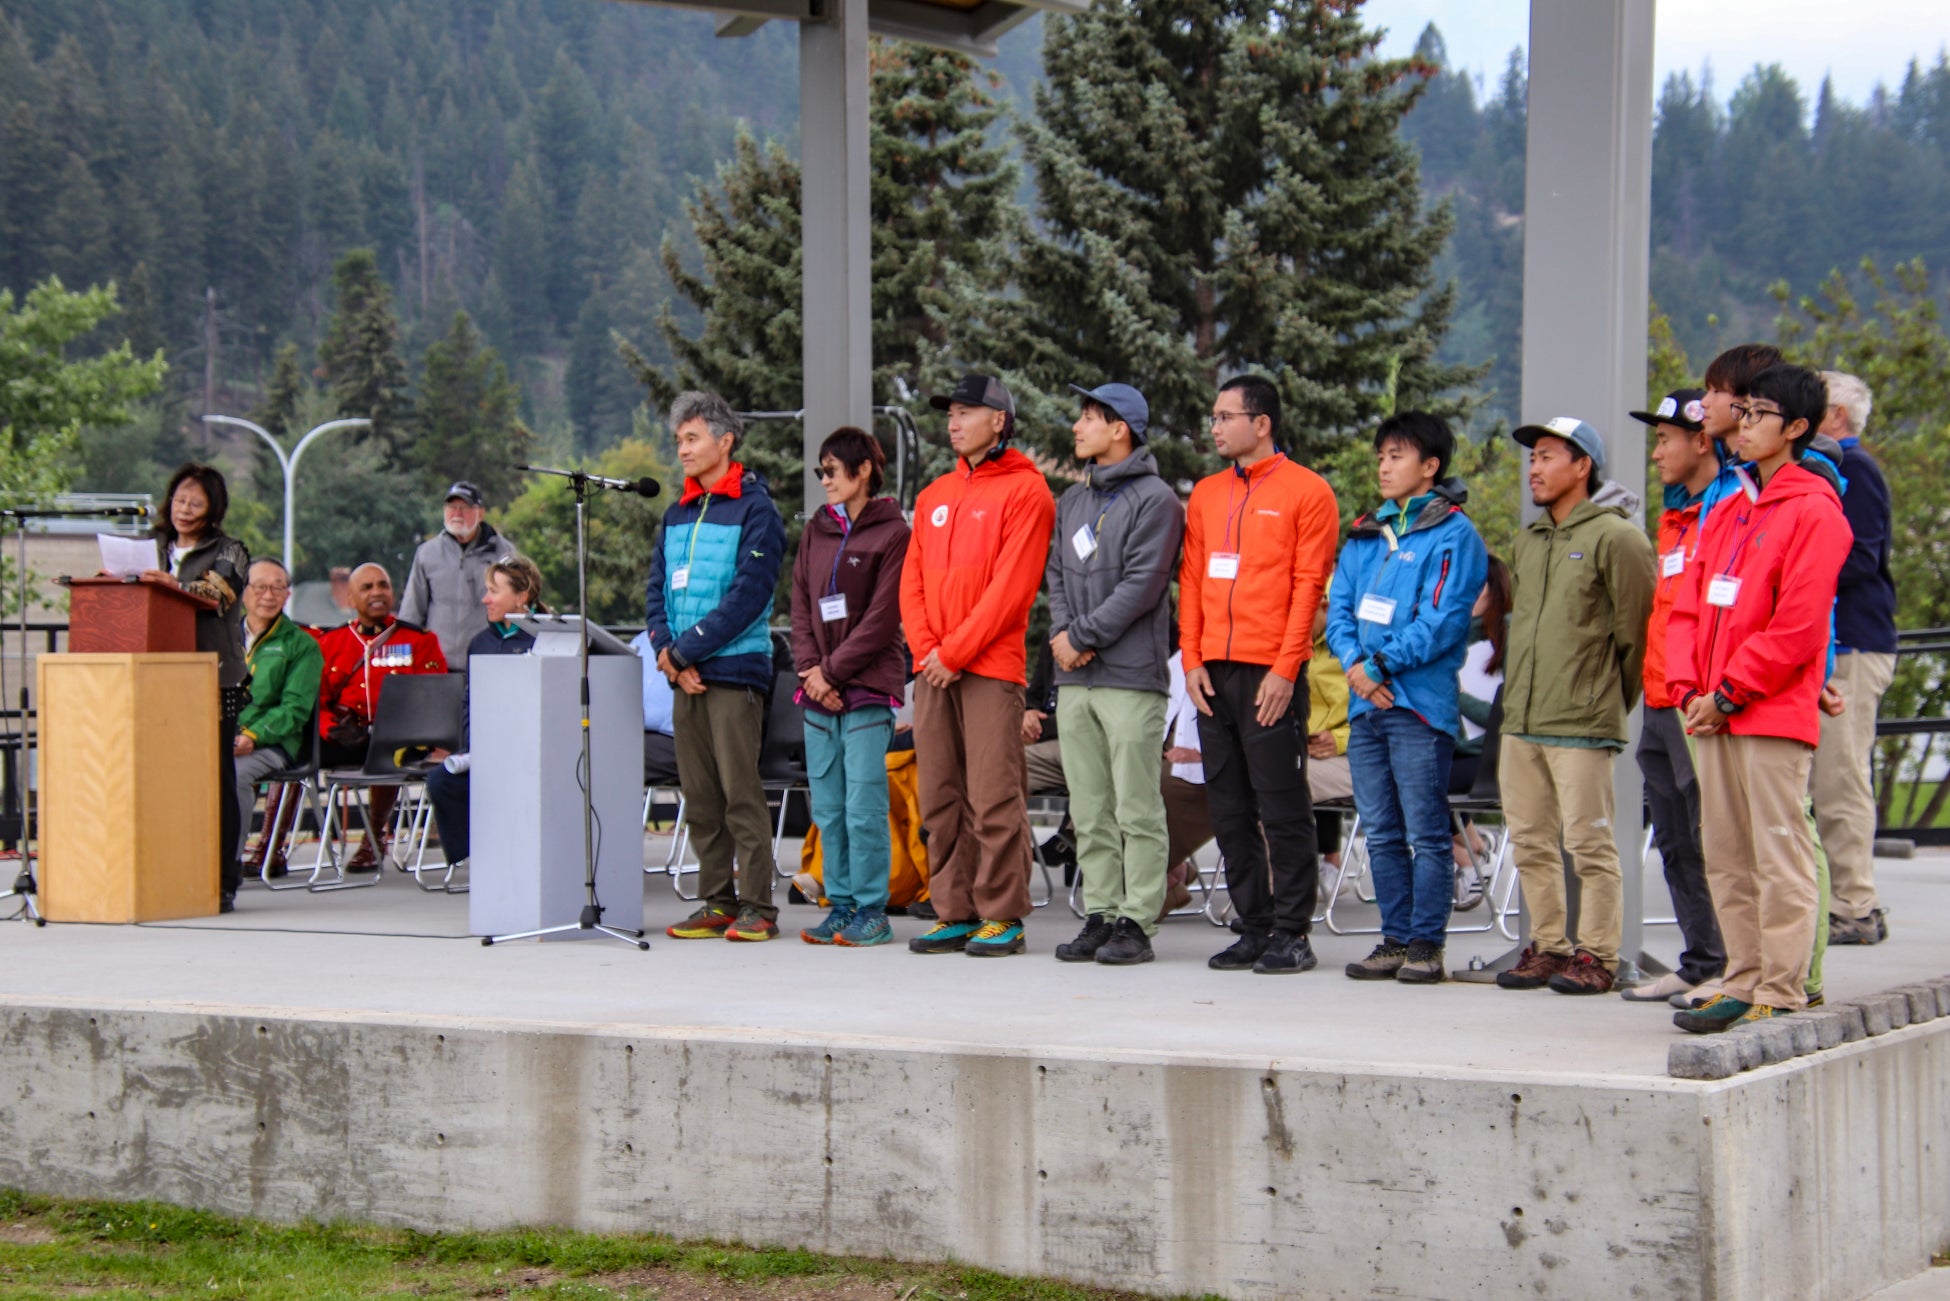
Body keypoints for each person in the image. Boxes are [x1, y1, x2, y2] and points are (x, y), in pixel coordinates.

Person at [1668, 364, 1852, 1032]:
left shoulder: (1814, 508)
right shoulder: (1731, 507)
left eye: (1757, 413)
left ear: (1796, 427)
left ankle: (1783, 985)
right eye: (1740, 412)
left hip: (1765, 709)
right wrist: (1692, 688)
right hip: (1711, 710)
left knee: (1778, 851)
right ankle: (1742, 978)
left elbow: (1800, 626)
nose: (1742, 425)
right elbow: (1688, 607)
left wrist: (1732, 690)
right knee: (1726, 851)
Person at [1179, 374, 1339, 974]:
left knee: (1282, 806)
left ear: (1262, 423)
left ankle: (1293, 931)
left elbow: (1307, 586)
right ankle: (1254, 925)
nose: (1216, 427)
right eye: (1214, 417)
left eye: (1226, 417)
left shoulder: (1308, 491)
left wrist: (1285, 666)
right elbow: (1192, 580)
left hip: (1270, 672)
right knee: (1228, 808)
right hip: (1212, 673)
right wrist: (1190, 659)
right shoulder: (1206, 493)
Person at [1494, 417, 1655, 995]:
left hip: (1582, 721)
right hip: (1522, 720)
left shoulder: (1619, 538)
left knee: (1589, 843)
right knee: (1531, 841)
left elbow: (1636, 637)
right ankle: (1549, 947)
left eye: (1545, 456)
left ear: (1582, 466)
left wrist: (1603, 701)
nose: (1533, 468)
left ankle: (1598, 955)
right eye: (1531, 458)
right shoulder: (1529, 539)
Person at [1329, 412, 1489, 984]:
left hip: (1417, 706)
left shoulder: (1454, 535)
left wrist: (1377, 665)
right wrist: (1355, 668)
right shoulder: (1366, 533)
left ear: (1430, 466)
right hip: (1366, 704)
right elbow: (1339, 610)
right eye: (1380, 456)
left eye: (1396, 456)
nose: (1383, 466)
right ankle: (1393, 939)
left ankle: (1427, 944)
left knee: (1425, 829)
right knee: (1381, 828)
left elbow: (1442, 621)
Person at [900, 373, 1056, 957]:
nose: (954, 420)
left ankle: (1003, 914)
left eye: (967, 411)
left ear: (1000, 421)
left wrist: (954, 652)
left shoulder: (1027, 491)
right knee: (939, 793)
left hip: (989, 667)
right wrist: (926, 652)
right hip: (934, 667)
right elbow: (910, 581)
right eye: (950, 412)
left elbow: (1010, 591)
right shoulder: (934, 495)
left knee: (993, 794)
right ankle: (955, 910)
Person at [1045, 382, 1183, 967]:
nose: (1077, 427)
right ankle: (1101, 911)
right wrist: (1061, 636)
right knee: (1089, 806)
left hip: (1129, 676)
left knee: (1136, 806)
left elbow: (1142, 584)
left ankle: (1137, 918)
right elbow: (1055, 574)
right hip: (1077, 681)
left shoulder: (1157, 500)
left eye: (1089, 418)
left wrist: (1080, 636)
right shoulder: (1071, 502)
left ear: (1120, 428)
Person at [647, 391, 787, 942]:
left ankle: (758, 907)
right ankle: (716, 902)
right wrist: (668, 653)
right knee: (700, 796)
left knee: (739, 793)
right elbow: (656, 589)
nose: (682, 449)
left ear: (725, 442)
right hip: (685, 675)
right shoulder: (675, 513)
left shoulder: (757, 510)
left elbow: (749, 595)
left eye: (692, 438)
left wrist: (685, 652)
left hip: (733, 672)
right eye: (678, 439)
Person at [1616, 389, 1729, 1005]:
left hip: (1700, 704)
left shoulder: (1732, 509)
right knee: (1677, 841)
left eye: (1665, 439)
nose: (1656, 451)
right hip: (1659, 701)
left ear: (1701, 441)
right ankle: (1702, 960)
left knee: (1715, 838)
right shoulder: (1676, 515)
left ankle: (1736, 970)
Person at [789, 427, 911, 949]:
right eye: (820, 471)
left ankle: (871, 911)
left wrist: (831, 673)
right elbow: (798, 605)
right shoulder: (816, 531)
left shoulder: (893, 533)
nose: (825, 480)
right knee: (829, 808)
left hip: (865, 691)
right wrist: (812, 671)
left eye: (832, 470)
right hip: (818, 693)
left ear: (863, 471)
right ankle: (838, 906)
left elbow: (884, 618)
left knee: (864, 807)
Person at [1811, 371, 1897, 947]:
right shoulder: (1827, 467)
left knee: (1841, 777)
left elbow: (1860, 556)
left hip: (1854, 644)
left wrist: (1798, 574)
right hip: (1837, 644)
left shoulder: (1854, 469)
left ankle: (1856, 904)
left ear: (1837, 416)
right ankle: (1844, 898)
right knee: (1826, 776)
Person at [146, 463, 252, 911]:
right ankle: (167, 868)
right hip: (154, 676)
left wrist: (173, 585)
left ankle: (224, 876)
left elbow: (217, 595)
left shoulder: (231, 550)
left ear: (212, 510)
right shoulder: (150, 548)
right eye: (179, 500)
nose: (184, 509)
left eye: (195, 503)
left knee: (215, 776)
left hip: (212, 677)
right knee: (161, 777)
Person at [316, 563, 449, 868]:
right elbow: (318, 701)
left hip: (400, 741)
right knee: (294, 750)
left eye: (383, 585)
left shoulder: (420, 641)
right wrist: (329, 728)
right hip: (347, 737)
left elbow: (434, 702)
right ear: (350, 599)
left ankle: (374, 839)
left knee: (388, 748)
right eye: (366, 587)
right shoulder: (332, 642)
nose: (377, 592)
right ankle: (273, 846)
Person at [423, 557, 543, 869]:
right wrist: (469, 748)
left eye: (493, 591)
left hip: (530, 754)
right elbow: (469, 702)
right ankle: (475, 858)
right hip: (483, 753)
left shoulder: (546, 637)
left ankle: (509, 860)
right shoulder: (480, 642)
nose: (485, 599)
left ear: (522, 596)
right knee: (441, 782)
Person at [234, 558, 324, 878]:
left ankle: (226, 866)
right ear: (243, 592)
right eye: (260, 587)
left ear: (288, 595)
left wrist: (252, 737)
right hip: (223, 737)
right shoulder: (223, 638)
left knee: (234, 774)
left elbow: (294, 710)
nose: (268, 595)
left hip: (272, 745)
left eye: (278, 588)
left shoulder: (302, 645)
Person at [398, 481, 519, 668]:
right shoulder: (427, 553)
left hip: (487, 661)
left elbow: (516, 609)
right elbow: (411, 614)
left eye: (464, 507)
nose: (456, 513)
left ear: (480, 513)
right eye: (451, 507)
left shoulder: (504, 553)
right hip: (436, 665)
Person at [1451, 557, 1511, 796]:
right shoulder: (1449, 641)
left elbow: (1503, 717)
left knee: (1419, 789)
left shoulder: (1506, 641)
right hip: (1450, 752)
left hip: (1489, 758)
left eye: (1476, 585)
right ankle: (1470, 836)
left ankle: (1468, 835)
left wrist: (1458, 697)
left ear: (1495, 590)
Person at [627, 630, 680, 787]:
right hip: (634, 733)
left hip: (675, 740)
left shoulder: (699, 640)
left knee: (611, 755)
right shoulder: (641, 639)